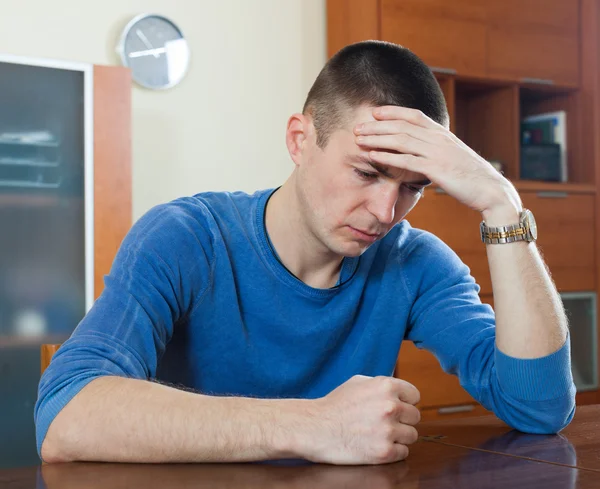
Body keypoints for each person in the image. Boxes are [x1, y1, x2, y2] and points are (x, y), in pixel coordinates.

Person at [35, 40, 575, 466]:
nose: (387, 211)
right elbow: (65, 416)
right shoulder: (184, 237)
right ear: (300, 140)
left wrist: (503, 207)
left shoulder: (415, 263)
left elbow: (539, 405)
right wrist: (314, 425)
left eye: (414, 186)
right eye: (367, 172)